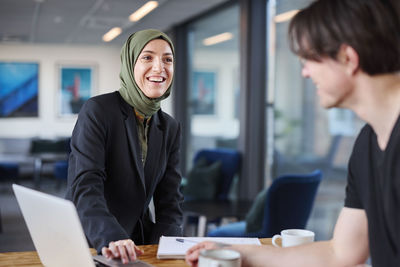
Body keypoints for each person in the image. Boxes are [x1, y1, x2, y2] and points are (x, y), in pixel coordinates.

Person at [186, 0, 400, 266]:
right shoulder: (367, 144)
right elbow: (341, 252)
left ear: (348, 58)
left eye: (309, 59)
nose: (305, 73)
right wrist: (237, 250)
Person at [66, 29, 183, 264]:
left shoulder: (169, 127)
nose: (160, 68)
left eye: (167, 59)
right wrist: (112, 238)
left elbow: (170, 202)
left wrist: (164, 251)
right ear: (130, 64)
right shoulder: (98, 111)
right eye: (147, 57)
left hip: (139, 245)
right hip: (91, 241)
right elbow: (85, 186)